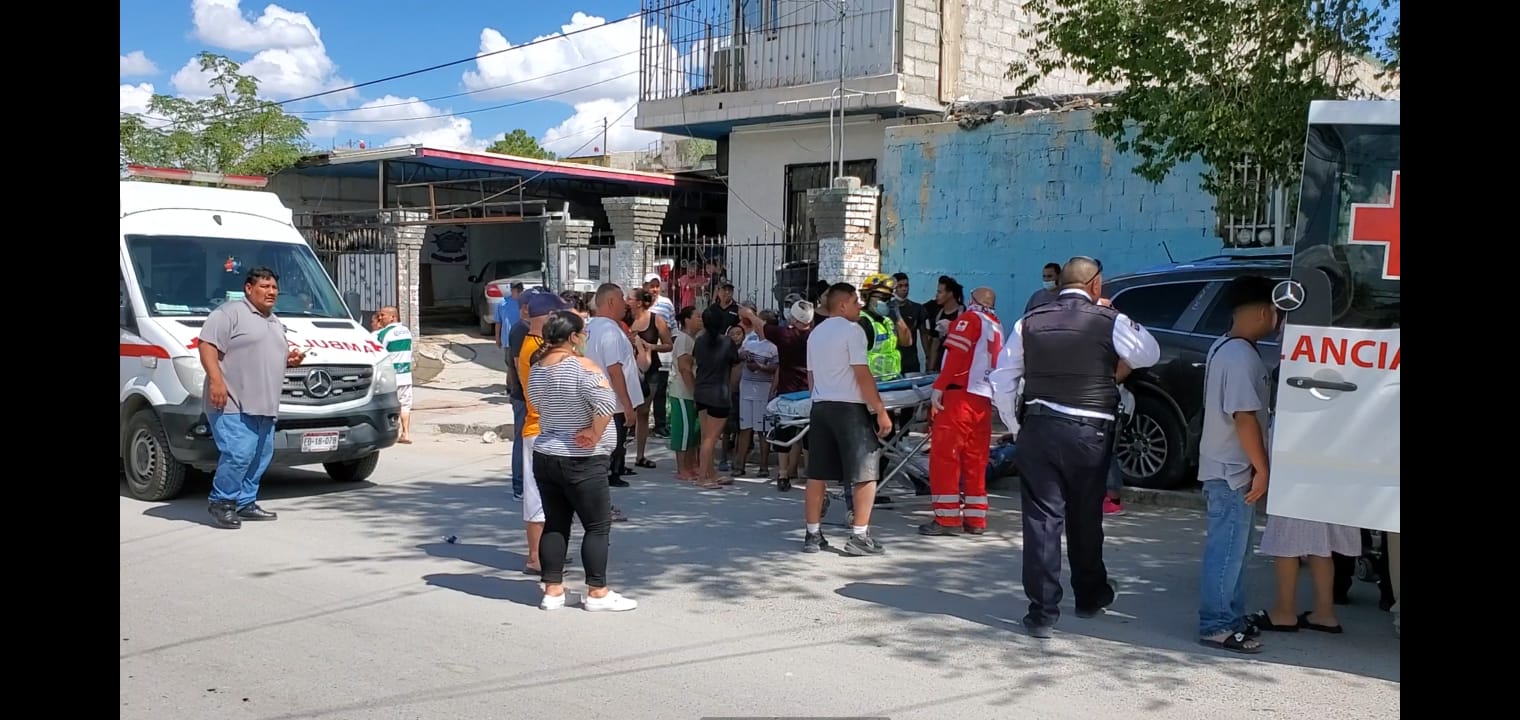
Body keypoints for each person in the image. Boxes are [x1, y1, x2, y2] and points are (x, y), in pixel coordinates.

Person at [989, 257, 1161, 638]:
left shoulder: (1028, 321)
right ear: (1096, 285)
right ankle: (1090, 595)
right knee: (1085, 516)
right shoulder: (1108, 320)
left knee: (1041, 520)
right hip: (1089, 432)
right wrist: (1112, 313)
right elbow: (1149, 353)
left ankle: (1042, 612)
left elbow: (1002, 380)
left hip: (1039, 426)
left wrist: (1017, 426)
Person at [526, 310, 638, 612]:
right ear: (574, 337)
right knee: (597, 526)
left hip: (547, 453)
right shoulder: (582, 366)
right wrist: (594, 430)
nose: (585, 338)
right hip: (582, 458)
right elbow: (606, 402)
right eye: (583, 333)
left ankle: (552, 590)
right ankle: (597, 592)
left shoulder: (537, 368)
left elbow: (535, 401)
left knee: (555, 523)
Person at [1192, 275, 1277, 654]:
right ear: (1263, 312)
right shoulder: (1240, 356)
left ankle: (1232, 615)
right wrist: (1262, 468)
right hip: (1232, 469)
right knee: (1227, 549)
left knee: (1235, 549)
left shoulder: (1223, 347)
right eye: (1277, 313)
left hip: (1223, 465)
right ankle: (1217, 624)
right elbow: (1244, 417)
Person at [197, 267, 308, 529]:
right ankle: (222, 502)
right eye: (264, 286)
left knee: (260, 456)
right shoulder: (229, 313)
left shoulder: (274, 321)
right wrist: (216, 381)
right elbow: (207, 345)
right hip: (232, 401)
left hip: (265, 404)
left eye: (274, 288)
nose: (271, 292)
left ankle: (245, 502)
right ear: (249, 288)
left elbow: (263, 355)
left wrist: (289, 360)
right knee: (239, 453)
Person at [802, 282, 895, 556]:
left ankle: (812, 534)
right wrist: (879, 409)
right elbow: (861, 373)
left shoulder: (815, 334)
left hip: (821, 406)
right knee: (866, 472)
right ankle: (859, 535)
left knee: (817, 474)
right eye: (856, 301)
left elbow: (811, 377)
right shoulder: (852, 331)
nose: (859, 306)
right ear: (842, 304)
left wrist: (818, 398)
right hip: (849, 407)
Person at [921, 287, 1003, 537]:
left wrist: (939, 387)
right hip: (983, 399)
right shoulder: (996, 324)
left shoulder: (969, 318)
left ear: (973, 301)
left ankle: (947, 519)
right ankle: (976, 519)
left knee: (945, 456)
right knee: (975, 460)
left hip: (959, 397)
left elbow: (957, 356)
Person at [516, 289, 570, 575]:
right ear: (549, 316)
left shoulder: (537, 343)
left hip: (545, 426)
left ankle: (545, 552)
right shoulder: (535, 349)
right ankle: (536, 557)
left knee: (548, 494)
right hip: (539, 427)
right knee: (537, 495)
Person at [739, 299, 813, 491]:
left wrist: (748, 314)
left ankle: (783, 474)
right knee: (806, 434)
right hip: (810, 392)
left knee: (784, 432)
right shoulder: (816, 336)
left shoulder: (785, 335)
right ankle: (806, 473)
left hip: (788, 392)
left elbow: (762, 327)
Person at [584, 284, 642, 495]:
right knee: (610, 447)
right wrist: (628, 405)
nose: (625, 304)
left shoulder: (588, 327)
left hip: (596, 399)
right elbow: (615, 370)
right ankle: (605, 487)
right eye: (621, 299)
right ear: (610, 302)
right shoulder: (609, 331)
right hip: (612, 403)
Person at [693, 304, 740, 489]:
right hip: (719, 393)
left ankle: (710, 473)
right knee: (711, 438)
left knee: (706, 435)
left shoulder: (700, 341)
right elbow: (734, 363)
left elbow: (697, 361)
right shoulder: (727, 342)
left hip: (701, 390)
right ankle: (703, 476)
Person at [628, 288, 672, 469]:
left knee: (643, 412)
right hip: (627, 369)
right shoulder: (624, 319)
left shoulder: (656, 320)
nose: (626, 300)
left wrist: (651, 347)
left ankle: (640, 455)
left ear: (639, 302)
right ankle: (618, 454)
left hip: (650, 370)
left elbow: (669, 345)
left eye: (629, 298)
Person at [734, 310, 780, 478]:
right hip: (746, 387)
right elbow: (739, 354)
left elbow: (776, 367)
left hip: (763, 390)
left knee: (762, 429)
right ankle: (740, 464)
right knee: (745, 427)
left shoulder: (774, 344)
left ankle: (764, 466)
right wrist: (743, 355)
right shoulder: (751, 337)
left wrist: (761, 367)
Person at [856, 273, 913, 381]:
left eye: (888, 298)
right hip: (870, 384)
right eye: (882, 298)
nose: (886, 302)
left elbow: (907, 342)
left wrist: (897, 315)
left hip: (890, 382)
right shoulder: (861, 322)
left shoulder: (886, 321)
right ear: (865, 297)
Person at [668, 306, 702, 482]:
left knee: (693, 431)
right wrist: (694, 391)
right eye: (697, 317)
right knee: (684, 431)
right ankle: (682, 468)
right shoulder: (683, 340)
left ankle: (691, 465)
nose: (700, 319)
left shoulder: (692, 339)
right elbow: (684, 368)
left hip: (689, 391)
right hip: (682, 391)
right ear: (687, 320)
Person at [370, 305, 414, 444]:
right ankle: (406, 433)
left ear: (393, 317)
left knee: (387, 405)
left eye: (383, 315)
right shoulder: (406, 331)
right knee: (405, 404)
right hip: (406, 375)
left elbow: (376, 354)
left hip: (391, 378)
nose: (380, 317)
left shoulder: (382, 334)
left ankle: (388, 432)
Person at [503, 297, 532, 501]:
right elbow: (517, 363)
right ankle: (519, 485)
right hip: (522, 395)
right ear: (524, 309)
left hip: (524, 394)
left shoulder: (525, 328)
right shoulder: (521, 330)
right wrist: (527, 393)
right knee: (522, 441)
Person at [643, 274, 676, 438]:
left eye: (657, 285)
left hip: (662, 353)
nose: (654, 289)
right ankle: (636, 424)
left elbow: (673, 327)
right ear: (644, 286)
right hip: (642, 356)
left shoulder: (666, 304)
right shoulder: (641, 304)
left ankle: (660, 425)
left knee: (661, 390)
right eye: (651, 285)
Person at [924, 276, 964, 372]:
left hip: (955, 368)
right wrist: (930, 369)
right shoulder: (935, 313)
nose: (936, 295)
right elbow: (935, 343)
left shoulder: (963, 314)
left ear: (950, 294)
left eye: (940, 292)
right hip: (938, 369)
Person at [891, 272, 927, 374]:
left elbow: (924, 333)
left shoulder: (917, 308)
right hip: (892, 362)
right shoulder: (887, 309)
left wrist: (928, 357)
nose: (904, 289)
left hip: (911, 361)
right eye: (900, 286)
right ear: (894, 288)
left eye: (906, 285)